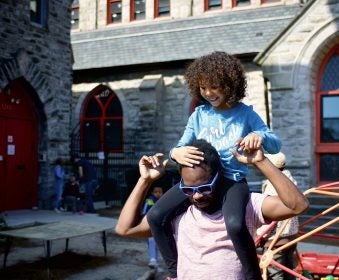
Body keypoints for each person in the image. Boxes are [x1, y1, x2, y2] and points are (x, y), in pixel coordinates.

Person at [147, 51, 282, 279]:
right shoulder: (198, 115)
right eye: (202, 88)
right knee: (155, 216)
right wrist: (175, 152)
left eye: (214, 87)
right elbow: (178, 148)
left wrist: (258, 136)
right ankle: (175, 272)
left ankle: (252, 276)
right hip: (199, 182)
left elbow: (275, 144)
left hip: (231, 182)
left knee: (235, 225)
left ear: (230, 84)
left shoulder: (245, 114)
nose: (208, 93)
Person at [116, 139, 308, 280]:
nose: (197, 196)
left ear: (218, 178)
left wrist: (261, 162)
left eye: (204, 188)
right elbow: (125, 229)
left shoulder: (245, 206)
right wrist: (145, 180)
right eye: (189, 190)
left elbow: (298, 205)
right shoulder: (179, 214)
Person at [256, 152, 299, 280]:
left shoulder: (273, 186)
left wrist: (259, 233)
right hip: (291, 236)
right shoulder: (289, 182)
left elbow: (271, 215)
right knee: (289, 270)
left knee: (275, 273)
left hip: (275, 239)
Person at [142, 185, 164, 269]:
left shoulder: (164, 201)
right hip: (150, 225)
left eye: (160, 192)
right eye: (156, 192)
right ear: (152, 193)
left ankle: (155, 262)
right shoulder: (150, 200)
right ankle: (153, 260)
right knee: (151, 241)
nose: (158, 194)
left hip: (160, 226)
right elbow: (145, 212)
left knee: (159, 244)